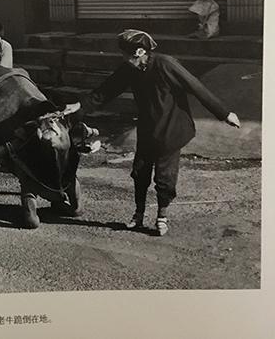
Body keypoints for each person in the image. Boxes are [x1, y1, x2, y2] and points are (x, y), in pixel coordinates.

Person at [81, 29, 240, 236]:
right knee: (140, 172)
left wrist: (224, 113)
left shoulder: (166, 64)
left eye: (126, 54)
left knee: (165, 177)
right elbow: (105, 91)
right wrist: (78, 107)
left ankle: (161, 216)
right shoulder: (130, 68)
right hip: (148, 128)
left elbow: (196, 87)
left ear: (139, 52)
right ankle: (138, 214)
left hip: (171, 128)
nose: (123, 58)